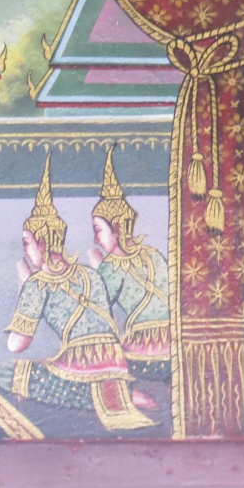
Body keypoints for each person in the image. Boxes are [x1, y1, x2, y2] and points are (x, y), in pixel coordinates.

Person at [0, 156, 154, 432]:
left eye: (27, 243)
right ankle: (119, 392)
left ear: (42, 243)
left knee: (7, 373)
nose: (26, 251)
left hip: (78, 367)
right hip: (116, 365)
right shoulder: (90, 274)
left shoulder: (37, 284)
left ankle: (105, 397)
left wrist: (24, 291)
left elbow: (16, 345)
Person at [86, 146, 171, 382]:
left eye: (98, 230)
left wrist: (97, 273)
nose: (96, 239)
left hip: (143, 353)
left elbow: (97, 314)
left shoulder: (110, 267)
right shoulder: (154, 255)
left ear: (116, 228)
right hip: (176, 346)